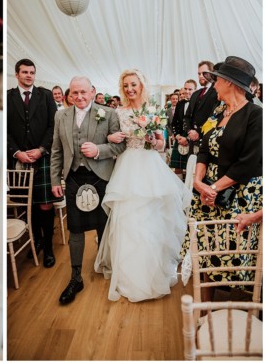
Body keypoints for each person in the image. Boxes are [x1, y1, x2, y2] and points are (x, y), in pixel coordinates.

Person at [94, 69, 191, 302]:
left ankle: (152, 271)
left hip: (150, 165)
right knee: (129, 219)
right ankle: (129, 275)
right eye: (126, 85)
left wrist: (151, 137)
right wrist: (110, 138)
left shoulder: (153, 110)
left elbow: (160, 145)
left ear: (141, 85)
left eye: (133, 84)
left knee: (152, 218)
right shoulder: (118, 111)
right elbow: (113, 136)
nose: (129, 89)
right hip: (128, 165)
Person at [181, 56, 262, 292]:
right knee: (204, 252)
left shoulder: (255, 115)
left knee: (230, 252)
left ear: (230, 83)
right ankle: (205, 312)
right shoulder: (218, 111)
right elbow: (205, 148)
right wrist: (198, 182)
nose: (213, 84)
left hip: (239, 193)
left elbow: (248, 163)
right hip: (208, 193)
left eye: (217, 80)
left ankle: (232, 309)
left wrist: (214, 188)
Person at [50, 76, 124, 305]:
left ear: (93, 91)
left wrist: (99, 149)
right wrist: (55, 180)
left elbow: (120, 145)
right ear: (69, 95)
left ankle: (105, 267)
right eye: (74, 93)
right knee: (75, 228)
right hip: (72, 178)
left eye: (83, 92)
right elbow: (56, 150)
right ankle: (75, 277)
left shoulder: (109, 113)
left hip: (101, 178)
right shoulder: (61, 115)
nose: (79, 97)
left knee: (104, 226)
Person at [7, 60, 59, 269]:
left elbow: (52, 125)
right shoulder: (8, 97)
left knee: (45, 204)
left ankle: (48, 247)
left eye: (32, 72)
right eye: (25, 72)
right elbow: (5, 129)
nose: (29, 75)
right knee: (28, 204)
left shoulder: (45, 96)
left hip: (43, 157)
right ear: (17, 74)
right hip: (18, 160)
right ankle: (35, 240)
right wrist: (16, 152)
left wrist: (41, 150)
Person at [184, 60, 219, 156]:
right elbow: (187, 116)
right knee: (191, 170)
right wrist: (189, 131)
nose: (200, 76)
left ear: (212, 74)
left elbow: (215, 116)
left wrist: (198, 132)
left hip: (207, 141)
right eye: (199, 74)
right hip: (192, 142)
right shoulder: (195, 94)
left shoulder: (217, 92)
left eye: (204, 73)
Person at [169, 79, 197, 177]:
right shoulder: (180, 104)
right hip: (180, 137)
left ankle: (190, 189)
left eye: (190, 89)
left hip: (193, 139)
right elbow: (174, 122)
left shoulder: (199, 103)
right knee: (177, 168)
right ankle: (179, 190)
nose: (187, 91)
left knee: (192, 169)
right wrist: (177, 136)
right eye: (185, 88)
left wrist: (188, 139)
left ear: (195, 90)